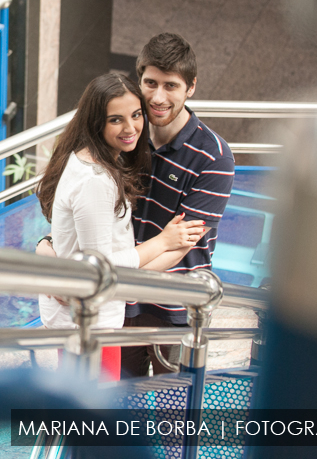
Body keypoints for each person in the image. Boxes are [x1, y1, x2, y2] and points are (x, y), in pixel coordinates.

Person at [34, 73, 205, 380]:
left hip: (83, 319)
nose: (131, 128)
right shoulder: (95, 182)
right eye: (116, 120)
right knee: (93, 414)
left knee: (79, 407)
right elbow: (101, 268)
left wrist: (44, 246)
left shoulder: (86, 160)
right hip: (91, 325)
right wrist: (163, 242)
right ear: (96, 122)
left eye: (136, 115)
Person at [119, 32, 235, 378]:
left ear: (191, 87)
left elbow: (183, 244)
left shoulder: (214, 155)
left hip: (175, 303)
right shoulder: (128, 137)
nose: (157, 97)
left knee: (175, 409)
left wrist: (119, 280)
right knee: (122, 398)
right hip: (124, 299)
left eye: (171, 85)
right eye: (150, 83)